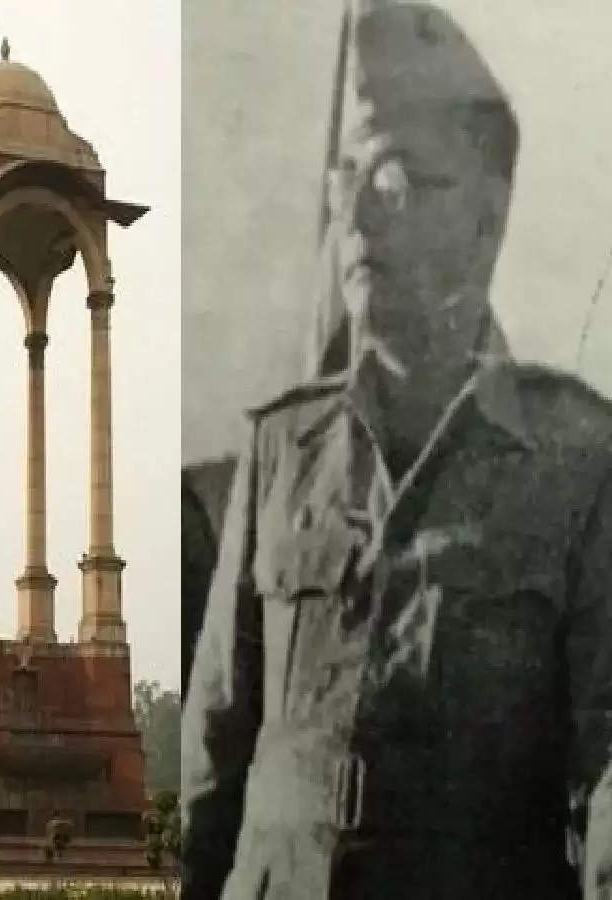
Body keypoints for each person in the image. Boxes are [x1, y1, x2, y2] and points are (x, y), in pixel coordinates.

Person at [182, 4, 612, 898]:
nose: (362, 217)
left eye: (402, 178)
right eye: (352, 182)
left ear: (488, 222)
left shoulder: (579, 462)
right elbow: (212, 767)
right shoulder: (281, 450)